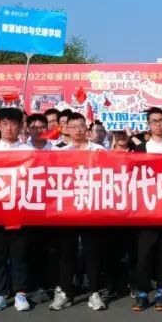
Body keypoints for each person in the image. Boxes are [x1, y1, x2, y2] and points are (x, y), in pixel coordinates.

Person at [50, 115, 108, 311]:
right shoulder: (59, 152)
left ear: (87, 129)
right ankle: (65, 292)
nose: (77, 130)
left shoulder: (99, 150)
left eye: (81, 126)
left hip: (92, 208)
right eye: (73, 126)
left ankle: (94, 292)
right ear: (66, 129)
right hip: (68, 209)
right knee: (67, 252)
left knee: (92, 252)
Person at [0, 107, 35, 313]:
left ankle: (21, 293)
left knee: (19, 254)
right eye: (5, 124)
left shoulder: (29, 151)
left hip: (20, 209)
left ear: (20, 126)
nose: (9, 128)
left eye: (14, 124)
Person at [132, 107, 162, 312]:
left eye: (161, 120)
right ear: (148, 125)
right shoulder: (140, 149)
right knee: (144, 254)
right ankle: (143, 293)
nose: (159, 124)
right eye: (154, 121)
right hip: (147, 210)